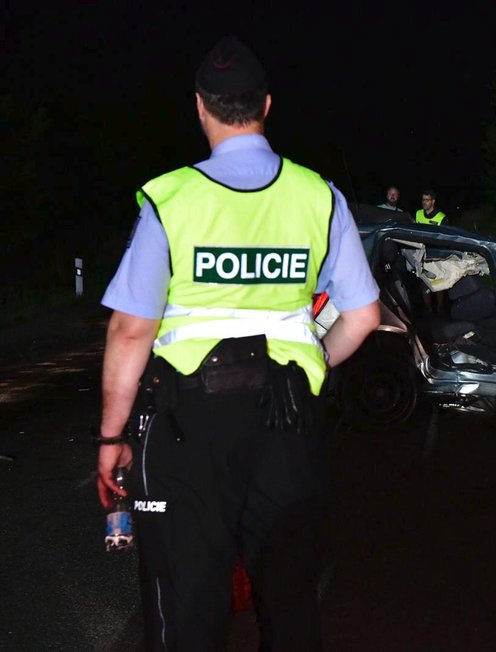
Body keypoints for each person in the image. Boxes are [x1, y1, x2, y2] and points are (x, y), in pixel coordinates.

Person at [94, 36, 380, 651]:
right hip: (289, 415)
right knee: (290, 597)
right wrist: (309, 365)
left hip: (190, 424)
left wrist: (112, 437)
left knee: (189, 599)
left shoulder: (173, 200)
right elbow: (362, 315)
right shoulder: (318, 195)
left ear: (200, 107)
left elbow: (131, 328)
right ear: (266, 105)